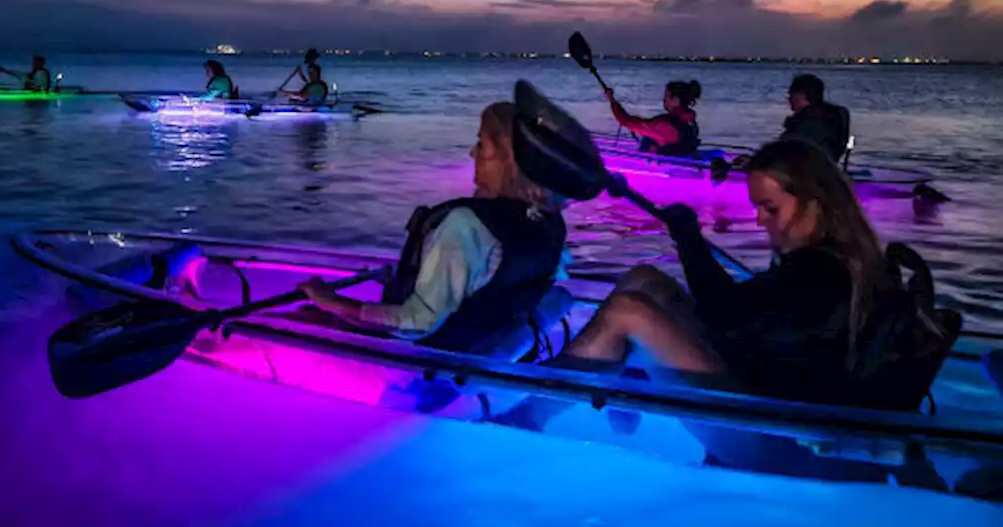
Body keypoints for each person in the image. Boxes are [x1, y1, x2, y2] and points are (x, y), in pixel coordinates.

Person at [548, 138, 894, 405]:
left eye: (770, 208)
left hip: (774, 424)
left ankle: (534, 402)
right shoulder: (826, 258)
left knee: (628, 311)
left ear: (815, 204)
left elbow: (727, 316)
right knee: (645, 281)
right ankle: (621, 388)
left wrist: (690, 242)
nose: (759, 220)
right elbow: (746, 316)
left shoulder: (822, 271)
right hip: (755, 375)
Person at [297, 101, 568, 351]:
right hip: (484, 341)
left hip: (429, 359)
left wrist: (331, 301)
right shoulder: (549, 221)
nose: (472, 152)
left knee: (291, 320)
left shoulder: (466, 225)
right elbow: (497, 279)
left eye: (482, 144)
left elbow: (416, 323)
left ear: (508, 160)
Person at [605, 80, 703, 158]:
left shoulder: (665, 125)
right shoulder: (690, 121)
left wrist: (612, 101)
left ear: (675, 100)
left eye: (666, 98)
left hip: (669, 170)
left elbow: (626, 121)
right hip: (683, 159)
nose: (664, 101)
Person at [781, 74, 850, 163]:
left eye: (791, 94)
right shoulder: (835, 119)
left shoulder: (802, 126)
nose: (789, 98)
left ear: (800, 95)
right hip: (827, 170)